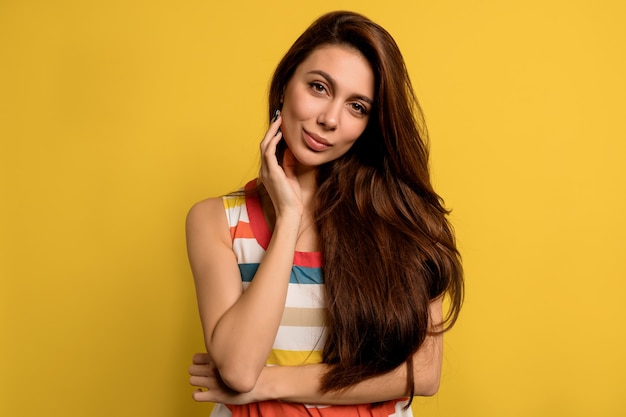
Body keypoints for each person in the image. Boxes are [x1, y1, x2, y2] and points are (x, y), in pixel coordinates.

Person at [186, 10, 463, 417]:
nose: (329, 119)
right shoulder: (217, 222)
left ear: (370, 124)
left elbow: (422, 374)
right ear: (284, 86)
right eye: (318, 87)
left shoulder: (407, 222)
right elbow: (239, 370)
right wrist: (289, 221)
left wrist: (270, 383)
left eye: (357, 106)